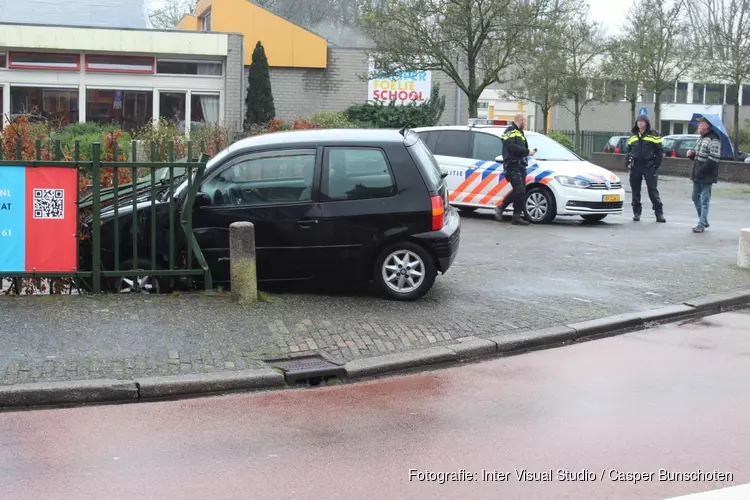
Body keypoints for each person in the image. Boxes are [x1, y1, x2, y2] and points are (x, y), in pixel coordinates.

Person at [494, 113, 536, 226]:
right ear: (520, 120)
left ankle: (513, 215)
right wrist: (527, 152)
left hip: (521, 166)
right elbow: (511, 147)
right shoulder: (510, 132)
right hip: (512, 166)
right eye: (525, 121)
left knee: (521, 191)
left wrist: (529, 151)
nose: (526, 123)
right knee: (519, 190)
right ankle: (504, 210)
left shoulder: (520, 132)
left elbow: (523, 147)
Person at [626, 114, 666, 223]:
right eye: (638, 121)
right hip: (636, 166)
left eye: (642, 121)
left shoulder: (653, 134)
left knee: (652, 190)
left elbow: (659, 151)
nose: (640, 123)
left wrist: (656, 165)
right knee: (635, 190)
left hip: (649, 165)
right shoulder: (633, 135)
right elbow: (628, 150)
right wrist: (627, 163)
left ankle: (659, 213)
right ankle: (637, 212)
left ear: (646, 123)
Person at [686, 117, 721, 233]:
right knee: (695, 197)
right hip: (698, 173)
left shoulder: (714, 139)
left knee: (705, 200)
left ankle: (701, 224)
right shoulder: (701, 138)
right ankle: (704, 220)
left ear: (707, 126)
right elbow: (698, 155)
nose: (698, 125)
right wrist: (692, 154)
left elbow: (713, 159)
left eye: (700, 123)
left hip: (707, 175)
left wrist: (701, 170)